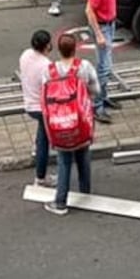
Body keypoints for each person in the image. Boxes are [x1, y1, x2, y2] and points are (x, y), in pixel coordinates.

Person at [42, 33, 100, 215]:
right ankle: (85, 192)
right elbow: (96, 90)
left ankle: (60, 202)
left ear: (58, 50)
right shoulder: (84, 67)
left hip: (59, 122)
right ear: (75, 49)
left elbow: (44, 95)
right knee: (83, 155)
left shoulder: (49, 71)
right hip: (81, 120)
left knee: (64, 161)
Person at [86, 0, 128, 123]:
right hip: (102, 28)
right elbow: (89, 10)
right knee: (103, 69)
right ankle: (96, 106)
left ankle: (103, 98)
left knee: (106, 66)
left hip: (108, 24)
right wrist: (99, 35)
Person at [19, 30, 55, 187]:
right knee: (44, 141)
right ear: (47, 46)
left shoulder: (26, 55)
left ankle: (37, 150)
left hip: (28, 102)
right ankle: (40, 178)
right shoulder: (46, 66)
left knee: (42, 134)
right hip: (41, 107)